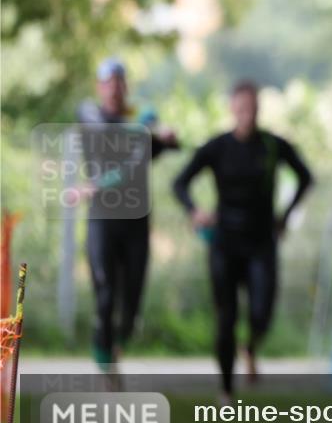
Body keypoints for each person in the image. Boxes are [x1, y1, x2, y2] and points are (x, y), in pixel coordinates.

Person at [172, 80, 313, 402]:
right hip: (224, 242)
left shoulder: (273, 145)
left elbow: (305, 177)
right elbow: (179, 183)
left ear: (258, 109)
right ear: (232, 109)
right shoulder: (217, 147)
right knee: (226, 316)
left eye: (251, 108)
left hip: (262, 242)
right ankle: (225, 388)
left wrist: (285, 216)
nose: (246, 114)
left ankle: (249, 347)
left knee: (262, 312)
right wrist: (195, 211)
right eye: (240, 108)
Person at [76, 57, 179, 368]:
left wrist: (164, 136)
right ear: (99, 87)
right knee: (106, 294)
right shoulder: (90, 116)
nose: (114, 89)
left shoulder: (139, 131)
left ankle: (120, 342)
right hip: (102, 220)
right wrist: (146, 129)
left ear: (126, 86)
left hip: (135, 223)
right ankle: (104, 362)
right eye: (108, 83)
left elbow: (164, 147)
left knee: (132, 299)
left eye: (120, 82)